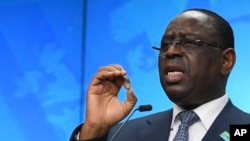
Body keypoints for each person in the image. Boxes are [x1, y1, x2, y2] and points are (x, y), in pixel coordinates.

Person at [70, 8, 250, 141]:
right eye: (165, 45)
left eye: (188, 43)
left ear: (225, 61)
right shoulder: (123, 134)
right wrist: (93, 131)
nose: (171, 52)